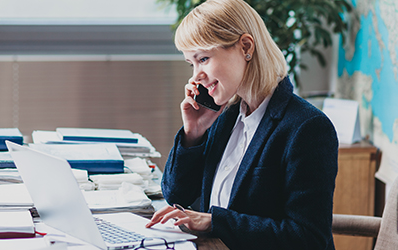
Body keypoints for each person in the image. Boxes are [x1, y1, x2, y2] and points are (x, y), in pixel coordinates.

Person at [144, 0, 339, 249]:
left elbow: (308, 238)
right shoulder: (225, 116)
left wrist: (215, 222)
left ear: (246, 46)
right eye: (191, 63)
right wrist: (193, 135)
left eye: (203, 58)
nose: (196, 76)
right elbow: (176, 196)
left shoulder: (307, 127)